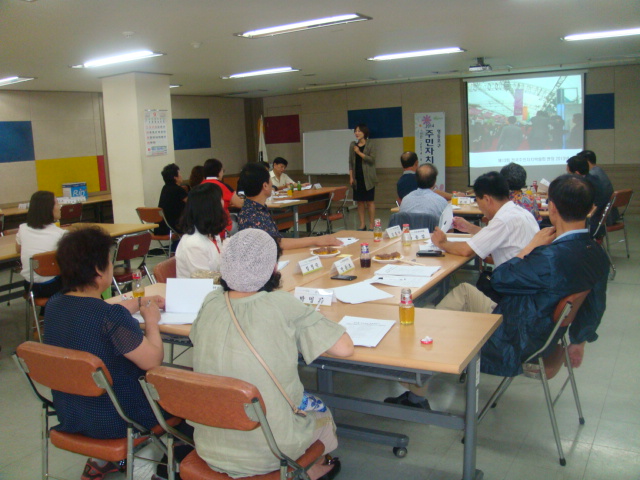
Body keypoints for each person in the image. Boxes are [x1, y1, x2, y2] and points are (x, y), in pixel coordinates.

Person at [190, 229, 353, 479]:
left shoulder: (210, 301)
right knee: (320, 411)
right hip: (271, 449)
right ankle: (314, 468)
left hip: (208, 444)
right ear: (274, 267)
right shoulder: (282, 304)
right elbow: (344, 348)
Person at [442, 174, 609, 375]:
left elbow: (500, 280)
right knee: (465, 294)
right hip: (545, 337)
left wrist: (530, 247)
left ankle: (421, 361)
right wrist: (579, 341)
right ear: (591, 209)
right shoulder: (597, 254)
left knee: (461, 294)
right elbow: (595, 304)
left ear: (552, 208)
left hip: (514, 338)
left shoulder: (549, 257)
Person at [43, 227, 168, 479]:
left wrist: (133, 303)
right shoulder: (109, 317)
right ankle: (143, 466)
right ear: (100, 271)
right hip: (119, 417)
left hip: (72, 412)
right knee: (173, 388)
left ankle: (102, 460)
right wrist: (151, 321)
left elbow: (95, 312)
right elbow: (153, 359)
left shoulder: (54, 305)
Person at [431, 172, 539, 267]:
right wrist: (470, 227)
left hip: (512, 286)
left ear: (487, 199)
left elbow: (466, 250)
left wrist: (442, 243)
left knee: (460, 289)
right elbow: (495, 235)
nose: (479, 207)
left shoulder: (503, 219)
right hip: (528, 281)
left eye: (478, 202)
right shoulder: (519, 212)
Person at [237, 163, 342, 250]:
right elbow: (277, 244)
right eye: (270, 181)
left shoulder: (254, 208)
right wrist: (316, 240)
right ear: (265, 186)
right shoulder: (254, 214)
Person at [16, 191, 66, 299]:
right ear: (48, 209)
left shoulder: (23, 228)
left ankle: (45, 311)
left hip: (30, 286)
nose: (60, 206)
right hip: (54, 287)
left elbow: (18, 249)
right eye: (57, 203)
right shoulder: (60, 234)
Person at [175, 183, 228, 278]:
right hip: (200, 290)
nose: (223, 203)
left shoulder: (211, 234)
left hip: (214, 287)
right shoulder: (194, 243)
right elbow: (205, 281)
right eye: (221, 199)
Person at [566, 155, 610, 236]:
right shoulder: (593, 179)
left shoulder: (583, 187)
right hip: (597, 223)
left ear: (576, 173)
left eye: (569, 174)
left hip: (590, 225)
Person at [201, 158, 243, 232]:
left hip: (203, 228)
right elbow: (240, 204)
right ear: (219, 172)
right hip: (223, 227)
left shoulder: (199, 187)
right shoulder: (223, 186)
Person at [348, 124, 377, 230]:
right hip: (357, 177)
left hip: (368, 178)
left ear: (364, 132)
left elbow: (371, 160)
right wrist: (351, 177)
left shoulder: (370, 144)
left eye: (359, 131)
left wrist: (359, 152)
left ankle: (371, 224)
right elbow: (350, 162)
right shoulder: (353, 145)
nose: (356, 133)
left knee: (369, 201)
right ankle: (362, 224)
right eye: (355, 131)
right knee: (360, 202)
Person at [578, 149, 619, 224]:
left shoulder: (592, 175)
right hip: (608, 214)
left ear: (586, 161)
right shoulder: (599, 171)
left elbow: (596, 201)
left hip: (599, 216)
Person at [156, 163, 187, 236]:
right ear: (175, 177)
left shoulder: (165, 188)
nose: (181, 176)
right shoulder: (178, 190)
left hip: (161, 227)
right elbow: (192, 204)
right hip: (174, 227)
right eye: (179, 173)